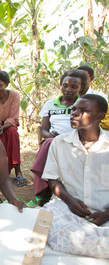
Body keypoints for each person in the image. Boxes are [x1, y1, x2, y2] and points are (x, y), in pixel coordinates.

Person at [41, 94, 109, 258]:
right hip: (68, 209)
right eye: (74, 109)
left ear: (101, 116)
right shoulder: (59, 142)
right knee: (45, 221)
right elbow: (53, 179)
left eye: (83, 110)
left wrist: (107, 214)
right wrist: (70, 201)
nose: (74, 113)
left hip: (105, 210)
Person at [32, 70, 87, 206]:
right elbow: (44, 129)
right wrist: (51, 136)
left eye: (74, 87)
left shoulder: (83, 104)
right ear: (61, 85)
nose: (68, 89)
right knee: (50, 143)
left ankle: (52, 191)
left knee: (52, 144)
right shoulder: (50, 104)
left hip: (76, 141)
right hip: (53, 142)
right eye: (65, 85)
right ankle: (42, 193)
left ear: (81, 88)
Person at [0, 71, 25, 186]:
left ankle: (18, 169)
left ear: (6, 84)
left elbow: (14, 117)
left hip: (8, 125)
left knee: (12, 133)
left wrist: (3, 126)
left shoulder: (14, 95)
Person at [76, 65, 109, 131]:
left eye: (83, 77)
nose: (79, 80)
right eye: (77, 76)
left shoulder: (100, 97)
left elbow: (104, 122)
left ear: (91, 78)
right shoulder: (68, 97)